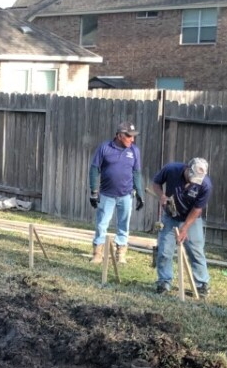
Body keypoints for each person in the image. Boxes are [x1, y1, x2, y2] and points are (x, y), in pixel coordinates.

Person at [150, 157, 211, 295]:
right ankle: (164, 282)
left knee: (195, 250)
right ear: (188, 169)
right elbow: (156, 183)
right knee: (165, 250)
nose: (193, 182)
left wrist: (185, 228)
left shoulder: (205, 184)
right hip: (170, 216)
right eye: (192, 178)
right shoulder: (171, 169)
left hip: (191, 218)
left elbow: (197, 209)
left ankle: (202, 284)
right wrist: (162, 196)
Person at [88, 123, 143, 263]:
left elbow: (137, 173)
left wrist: (140, 195)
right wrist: (94, 191)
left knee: (124, 225)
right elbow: (94, 169)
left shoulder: (134, 151)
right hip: (107, 194)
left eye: (133, 137)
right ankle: (97, 253)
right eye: (129, 136)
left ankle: (121, 254)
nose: (132, 140)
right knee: (102, 224)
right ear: (119, 135)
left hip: (126, 195)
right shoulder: (105, 148)